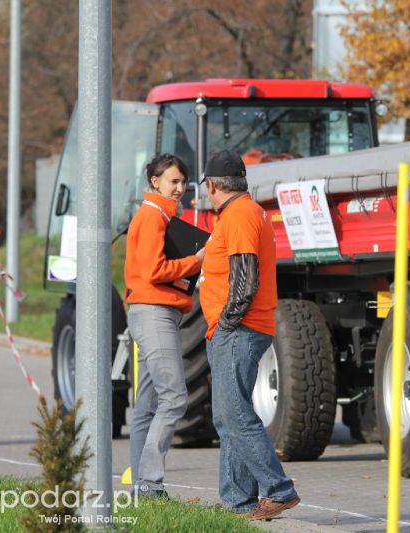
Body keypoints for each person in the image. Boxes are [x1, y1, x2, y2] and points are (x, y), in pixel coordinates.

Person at [198, 150, 300, 520]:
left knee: (235, 415)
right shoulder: (246, 211)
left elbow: (245, 277)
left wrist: (226, 324)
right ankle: (238, 503)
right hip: (237, 329)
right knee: (228, 417)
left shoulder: (239, 215)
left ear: (210, 185)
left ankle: (278, 490)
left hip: (238, 329)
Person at [124, 153, 204, 497]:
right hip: (154, 312)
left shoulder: (159, 216)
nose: (180, 189)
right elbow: (153, 271)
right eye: (174, 181)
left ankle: (143, 488)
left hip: (155, 312)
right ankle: (150, 486)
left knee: (148, 405)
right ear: (155, 182)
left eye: (183, 182)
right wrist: (195, 261)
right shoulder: (152, 217)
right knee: (173, 399)